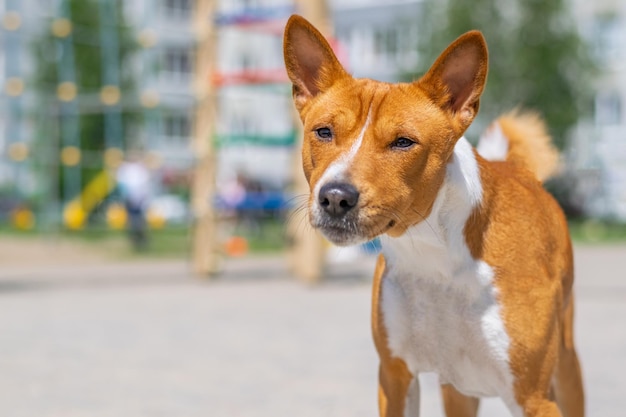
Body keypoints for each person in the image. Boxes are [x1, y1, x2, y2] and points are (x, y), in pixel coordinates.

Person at [116, 152, 152, 250]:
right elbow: (123, 184)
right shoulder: (128, 169)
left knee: (137, 218)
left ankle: (138, 236)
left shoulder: (136, 169)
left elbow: (143, 185)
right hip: (133, 198)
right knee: (134, 218)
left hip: (138, 198)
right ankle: (136, 236)